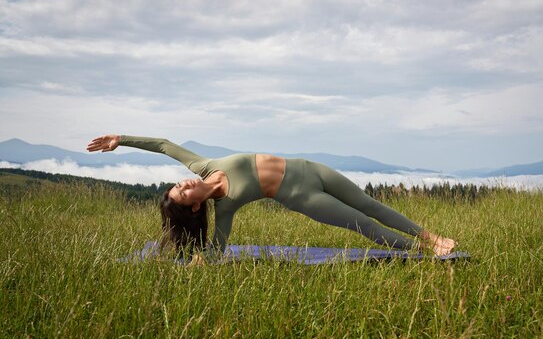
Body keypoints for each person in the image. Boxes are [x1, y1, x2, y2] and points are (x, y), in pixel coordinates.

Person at [87, 135, 457, 261]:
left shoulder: (202, 165)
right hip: (302, 196)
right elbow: (219, 248)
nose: (184, 184)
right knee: (363, 225)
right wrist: (201, 260)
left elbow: (165, 145)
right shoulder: (225, 207)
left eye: (179, 184)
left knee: (371, 205)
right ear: (196, 206)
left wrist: (123, 139)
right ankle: (424, 254)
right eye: (182, 193)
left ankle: (431, 238)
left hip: (310, 169)